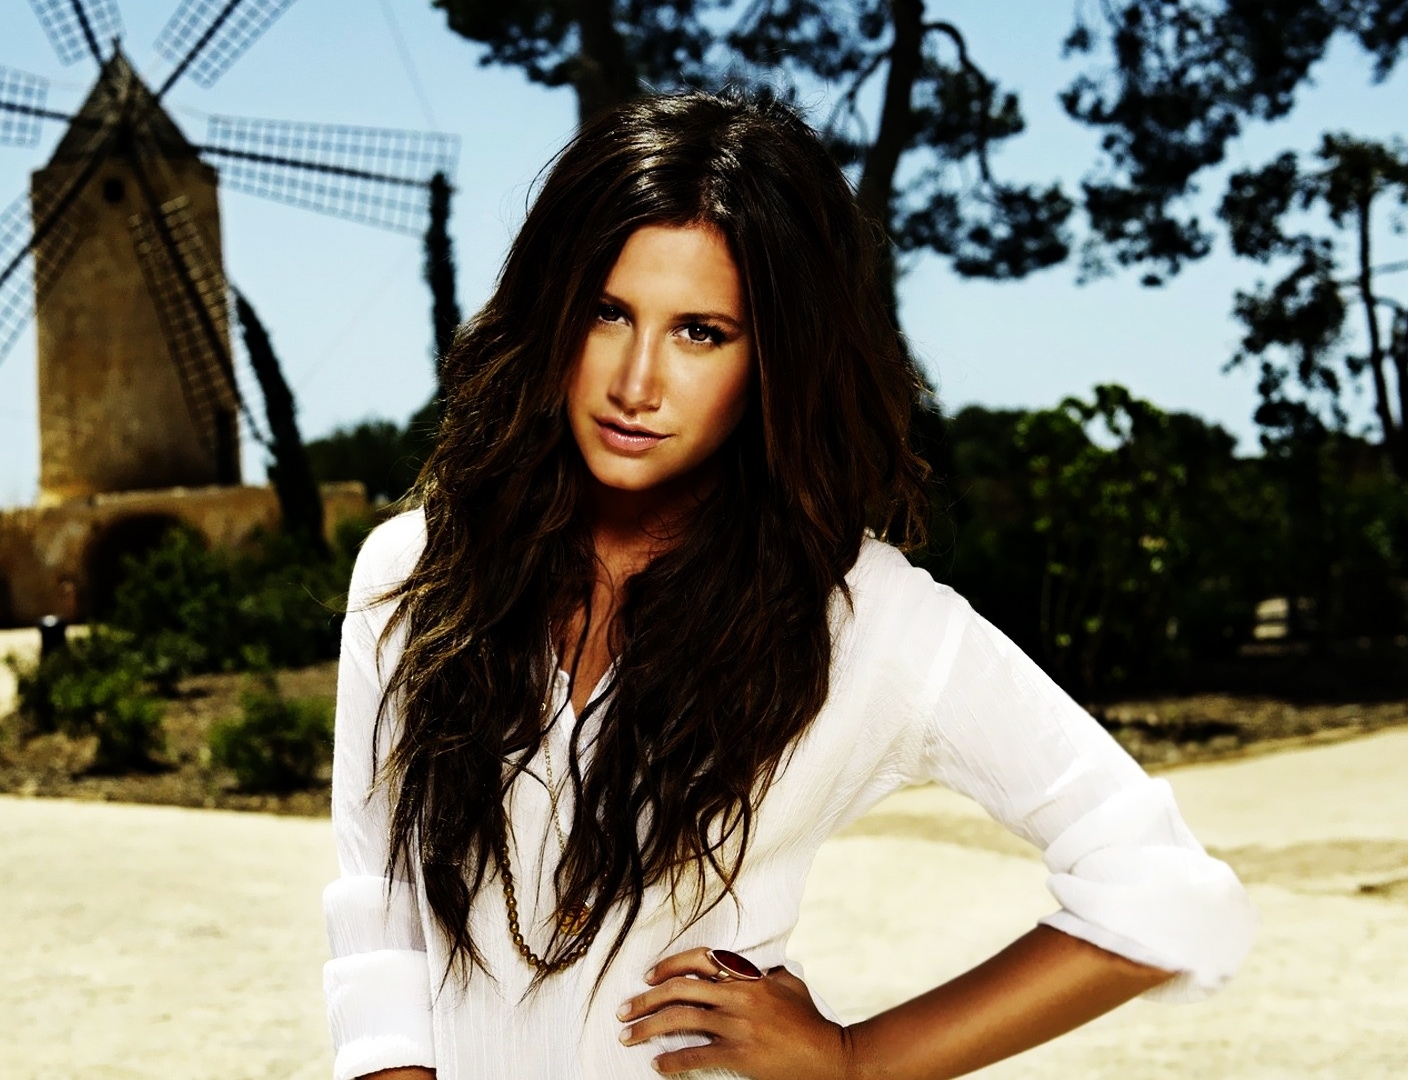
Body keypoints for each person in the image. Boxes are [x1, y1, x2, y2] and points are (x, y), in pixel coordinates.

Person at [322, 90, 1256, 1080]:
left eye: (701, 332)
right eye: (608, 312)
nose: (636, 383)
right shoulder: (415, 572)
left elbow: (1169, 895)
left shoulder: (864, 616)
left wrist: (855, 1060)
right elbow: (382, 922)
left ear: (773, 356)